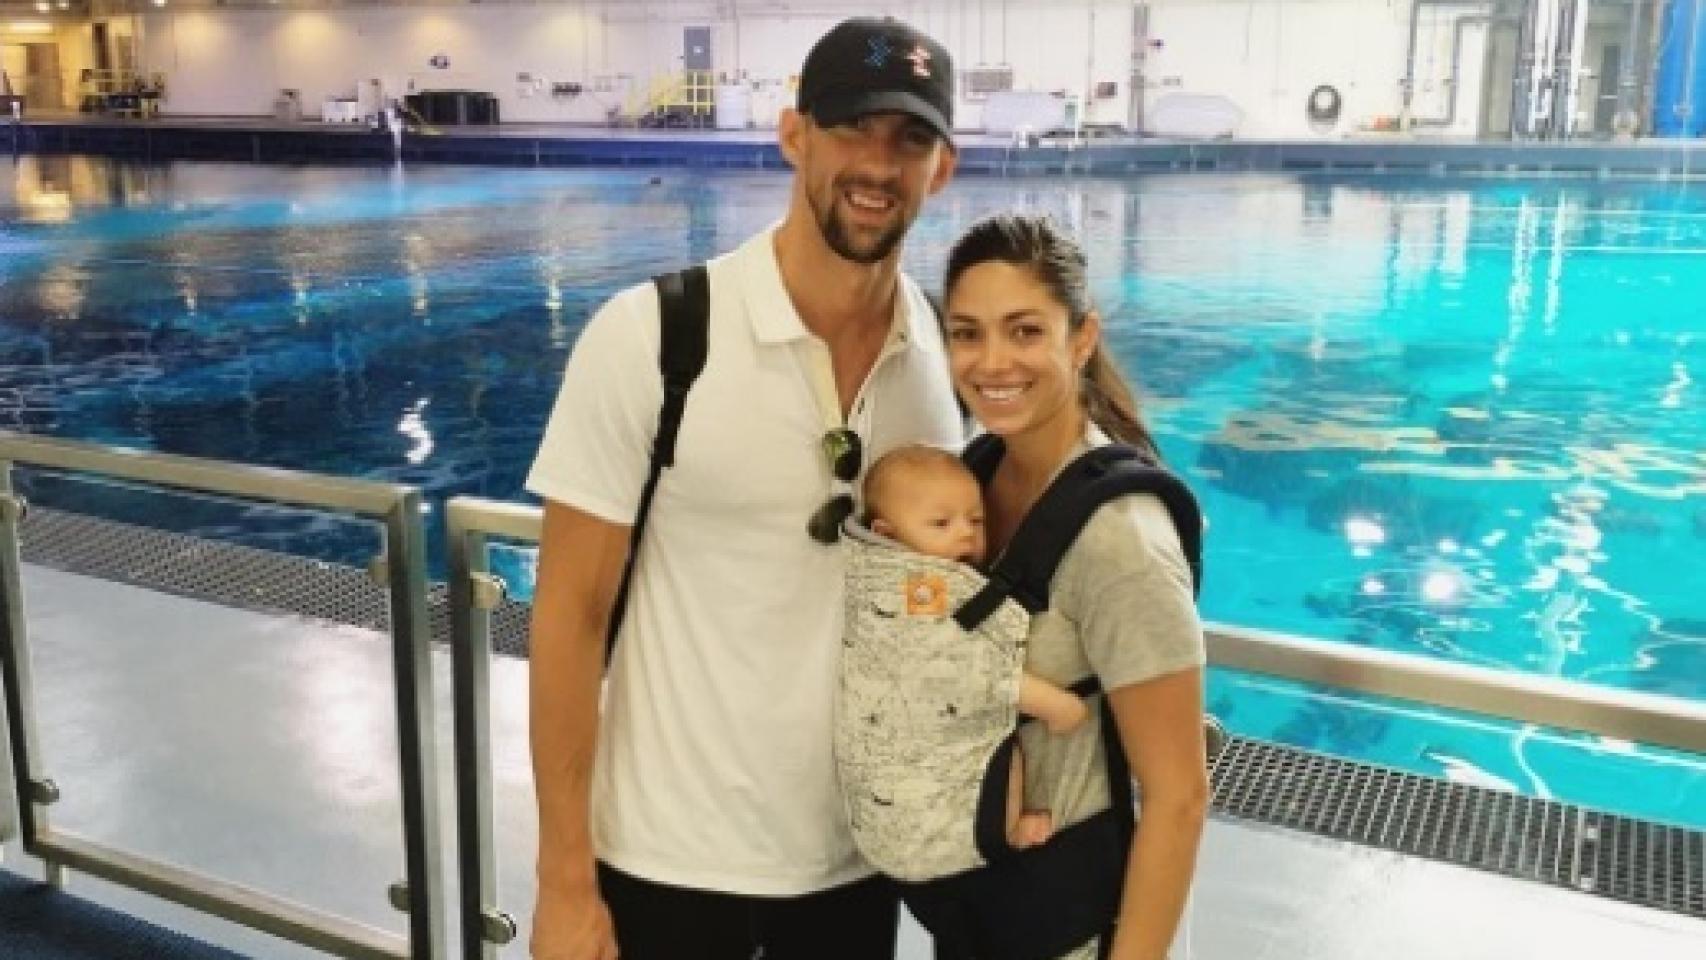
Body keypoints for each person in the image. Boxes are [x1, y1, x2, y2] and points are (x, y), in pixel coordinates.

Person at [523, 15, 962, 960]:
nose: (877, 165)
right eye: (851, 128)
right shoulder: (652, 337)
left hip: (857, 865)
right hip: (666, 863)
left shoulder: (940, 357)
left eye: (909, 139)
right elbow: (567, 616)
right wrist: (563, 880)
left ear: (943, 169)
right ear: (793, 134)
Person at [937, 213, 1209, 960]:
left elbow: (1179, 798)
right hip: (980, 911)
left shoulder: (1121, 541)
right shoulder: (974, 482)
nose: (992, 362)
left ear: (1081, 339)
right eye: (967, 334)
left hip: (1069, 929)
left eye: (1025, 331)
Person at [849, 443, 1088, 859]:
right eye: (941, 523)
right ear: (887, 535)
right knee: (992, 756)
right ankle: (1007, 830)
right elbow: (956, 667)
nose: (965, 533)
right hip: (925, 772)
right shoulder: (916, 589)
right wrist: (1054, 704)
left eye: (976, 520)